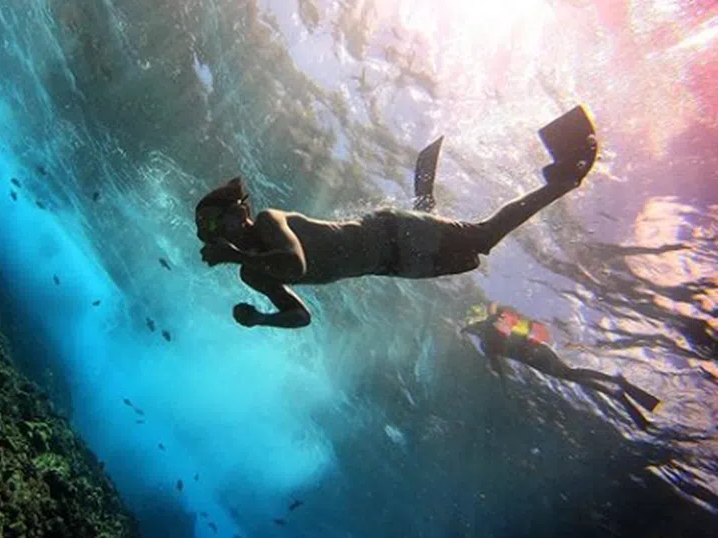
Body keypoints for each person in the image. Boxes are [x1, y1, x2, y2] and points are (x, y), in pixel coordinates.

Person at [195, 105, 599, 329]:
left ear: (240, 213)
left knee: (482, 240)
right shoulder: (252, 274)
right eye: (203, 229)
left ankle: (566, 179)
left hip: (391, 231)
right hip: (392, 265)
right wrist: (262, 319)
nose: (206, 233)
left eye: (213, 223)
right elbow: (300, 315)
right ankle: (424, 203)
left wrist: (233, 255)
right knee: (471, 259)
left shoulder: (268, 220)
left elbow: (294, 262)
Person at [461, 303, 662, 430]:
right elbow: (499, 354)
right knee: (571, 374)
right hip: (538, 353)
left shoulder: (487, 337)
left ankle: (616, 386)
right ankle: (616, 390)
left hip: (536, 356)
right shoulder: (489, 333)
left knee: (570, 374)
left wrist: (503, 385)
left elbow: (497, 364)